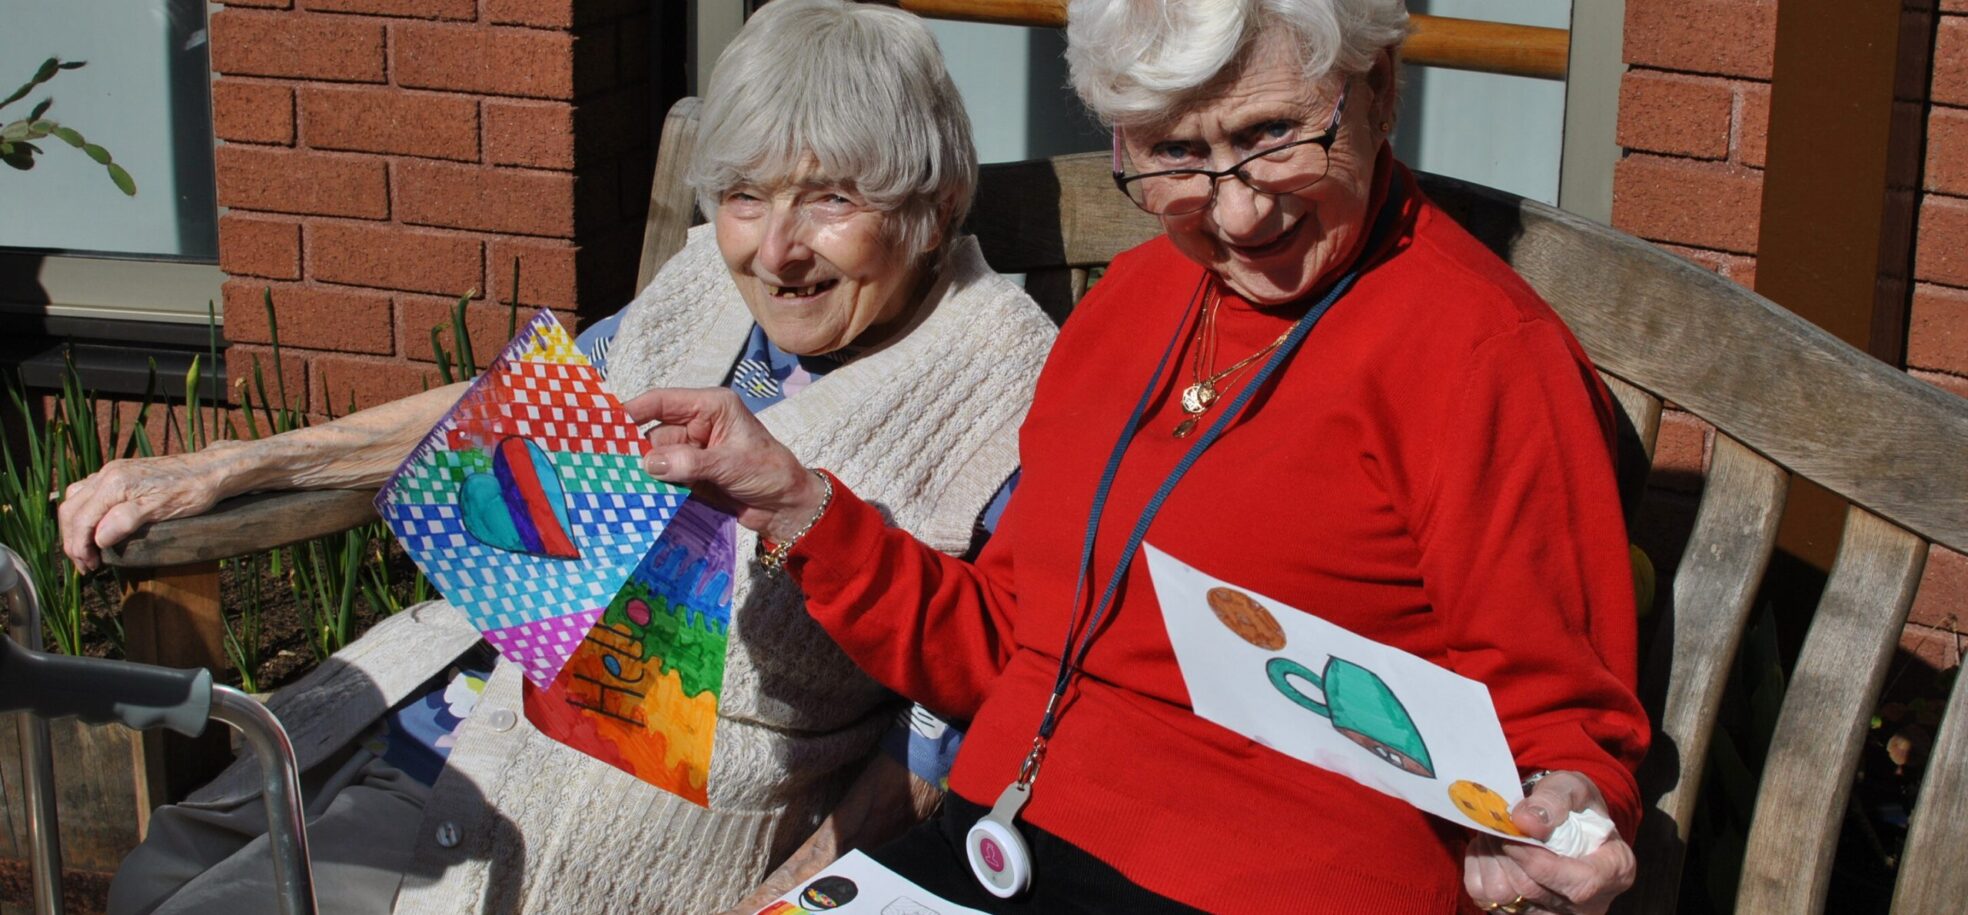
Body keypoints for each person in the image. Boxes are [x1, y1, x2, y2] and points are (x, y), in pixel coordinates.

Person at [627, 0, 1649, 912]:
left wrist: (1567, 814)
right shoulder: (1129, 306)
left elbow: (1560, 728)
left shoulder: (1480, 356)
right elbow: (1004, 648)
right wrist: (802, 504)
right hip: (995, 849)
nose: (1240, 210)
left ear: (1379, 91)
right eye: (1175, 153)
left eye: (1273, 135)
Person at [61, 2, 1057, 912]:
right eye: (747, 195)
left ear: (939, 201)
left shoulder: (1006, 385)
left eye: (833, 199)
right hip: (438, 707)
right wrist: (242, 464)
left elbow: (969, 716)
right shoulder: (707, 277)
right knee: (156, 876)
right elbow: (512, 412)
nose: (775, 252)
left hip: (594, 826)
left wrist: (795, 896)